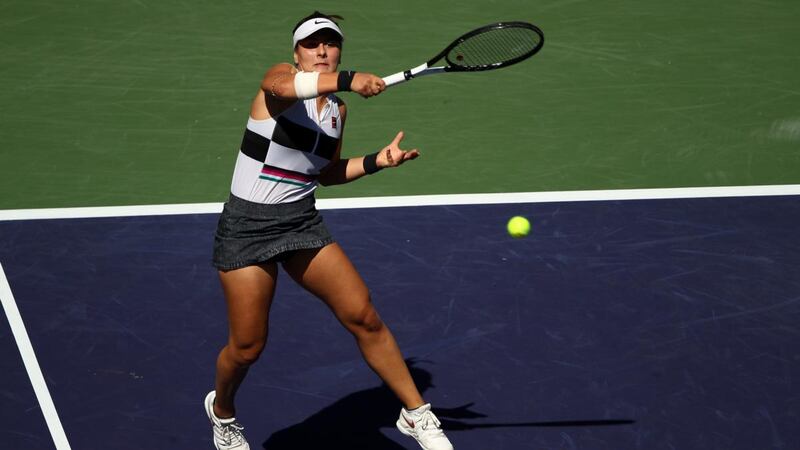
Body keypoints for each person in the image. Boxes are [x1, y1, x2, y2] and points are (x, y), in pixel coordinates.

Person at [203, 11, 454, 450]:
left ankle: (415, 413)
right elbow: (282, 87)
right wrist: (351, 79)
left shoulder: (336, 110)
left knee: (363, 315)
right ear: (296, 54)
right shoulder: (279, 83)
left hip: (301, 221)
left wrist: (377, 161)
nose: (321, 50)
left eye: (330, 43)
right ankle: (222, 411)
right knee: (247, 347)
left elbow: (324, 173)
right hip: (248, 227)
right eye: (311, 43)